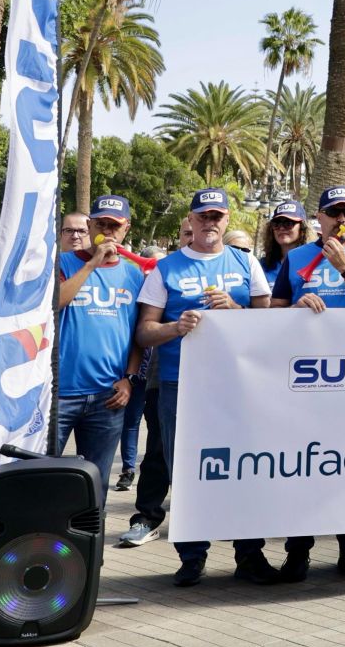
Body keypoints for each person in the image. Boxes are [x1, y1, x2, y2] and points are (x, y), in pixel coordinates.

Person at [134, 189, 274, 587]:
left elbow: (268, 326)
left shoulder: (246, 263)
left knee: (246, 468)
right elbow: (144, 333)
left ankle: (250, 555)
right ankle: (192, 557)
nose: (210, 223)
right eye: (202, 216)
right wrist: (175, 328)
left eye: (217, 216)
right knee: (186, 472)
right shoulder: (166, 269)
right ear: (191, 221)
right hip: (182, 384)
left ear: (227, 220)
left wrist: (237, 311)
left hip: (237, 383)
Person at [265, 185, 345, 580]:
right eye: (333, 212)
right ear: (318, 219)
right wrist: (297, 307)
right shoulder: (296, 257)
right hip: (305, 382)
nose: (342, 219)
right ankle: (297, 551)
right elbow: (275, 311)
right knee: (303, 466)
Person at [52, 195, 143, 495]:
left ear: (126, 229)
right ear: (90, 226)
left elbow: (137, 334)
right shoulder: (62, 262)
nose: (107, 231)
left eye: (114, 226)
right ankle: (45, 540)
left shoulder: (133, 274)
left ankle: (89, 542)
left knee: (95, 485)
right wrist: (92, 263)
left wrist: (129, 379)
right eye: (101, 224)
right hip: (60, 394)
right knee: (44, 476)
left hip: (108, 397)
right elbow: (56, 303)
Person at [118, 215, 186, 548]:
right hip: (166, 379)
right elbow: (145, 330)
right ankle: (146, 518)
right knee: (158, 451)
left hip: (219, 384)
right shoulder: (167, 272)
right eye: (186, 232)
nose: (193, 237)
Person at [260, 199, 310, 275]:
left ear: (302, 228)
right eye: (276, 224)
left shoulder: (313, 262)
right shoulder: (262, 266)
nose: (281, 228)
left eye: (288, 224)